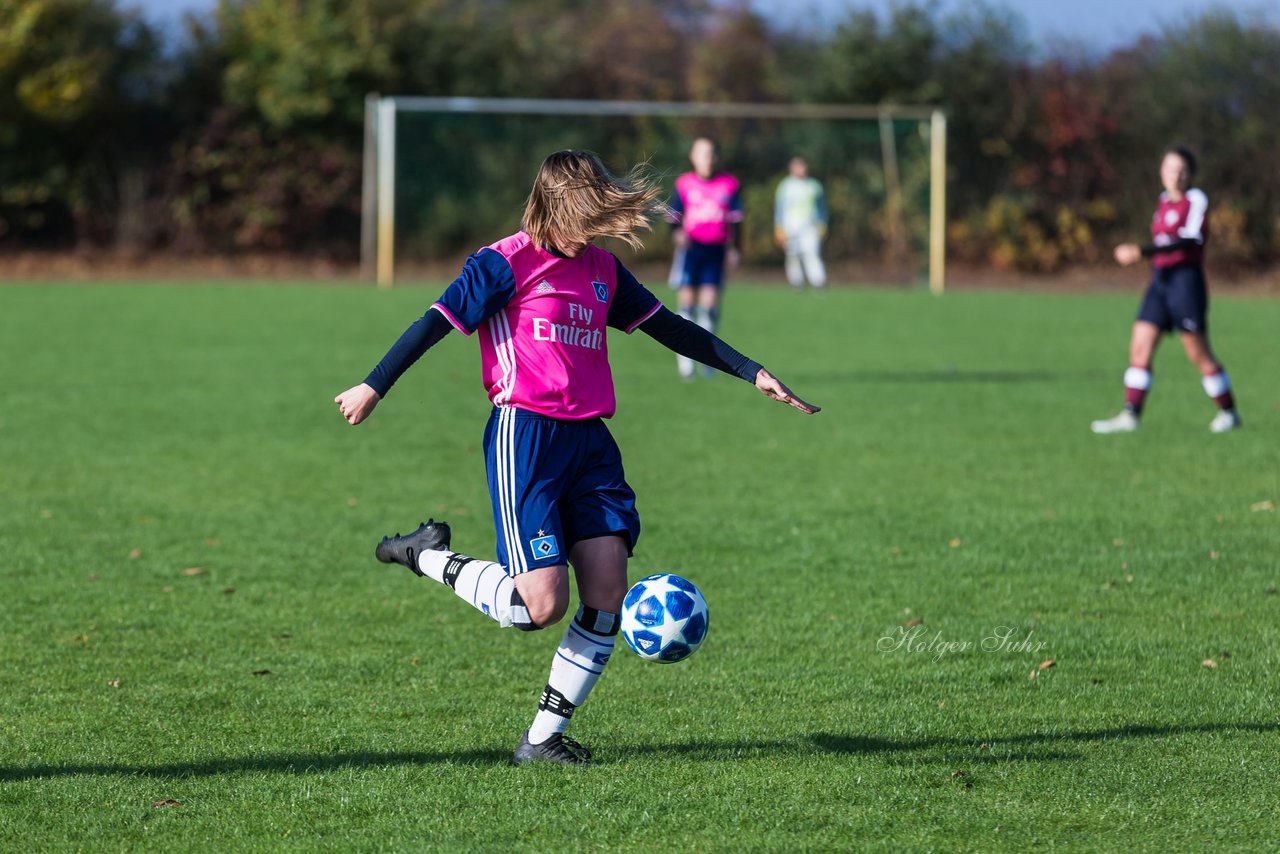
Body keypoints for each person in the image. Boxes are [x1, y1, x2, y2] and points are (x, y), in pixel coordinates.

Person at [334, 150, 819, 767]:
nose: (594, 228)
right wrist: (374, 384)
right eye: (586, 214)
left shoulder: (603, 272)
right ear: (559, 206)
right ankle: (427, 555)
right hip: (526, 437)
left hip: (590, 442)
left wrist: (751, 372)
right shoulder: (502, 263)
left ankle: (541, 738)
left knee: (608, 588)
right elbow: (433, 323)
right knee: (540, 605)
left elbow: (669, 326)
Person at [1091, 146, 1241, 434]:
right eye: (1171, 169)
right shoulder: (1162, 203)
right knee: (1140, 347)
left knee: (1198, 354)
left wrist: (1141, 251)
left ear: (1191, 174)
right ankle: (1130, 414)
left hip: (1186, 282)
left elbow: (1189, 240)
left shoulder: (1196, 200)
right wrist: (1149, 255)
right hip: (1160, 281)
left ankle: (1228, 412)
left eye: (1182, 170)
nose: (1177, 175)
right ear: (1162, 172)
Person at [668, 137, 742, 379]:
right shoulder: (685, 183)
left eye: (711, 154)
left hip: (715, 251)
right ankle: (685, 363)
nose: (707, 159)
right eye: (702, 154)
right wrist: (677, 234)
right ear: (693, 157)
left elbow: (736, 219)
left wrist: (735, 248)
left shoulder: (729, 184)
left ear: (717, 157)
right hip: (691, 251)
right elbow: (673, 216)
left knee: (709, 310)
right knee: (686, 308)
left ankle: (709, 360)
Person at [774, 156, 828, 291]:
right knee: (792, 254)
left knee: (812, 253)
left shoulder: (814, 185)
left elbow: (821, 207)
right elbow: (779, 208)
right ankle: (797, 282)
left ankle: (818, 281)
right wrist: (779, 228)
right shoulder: (785, 186)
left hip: (810, 226)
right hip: (790, 226)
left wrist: (822, 224)